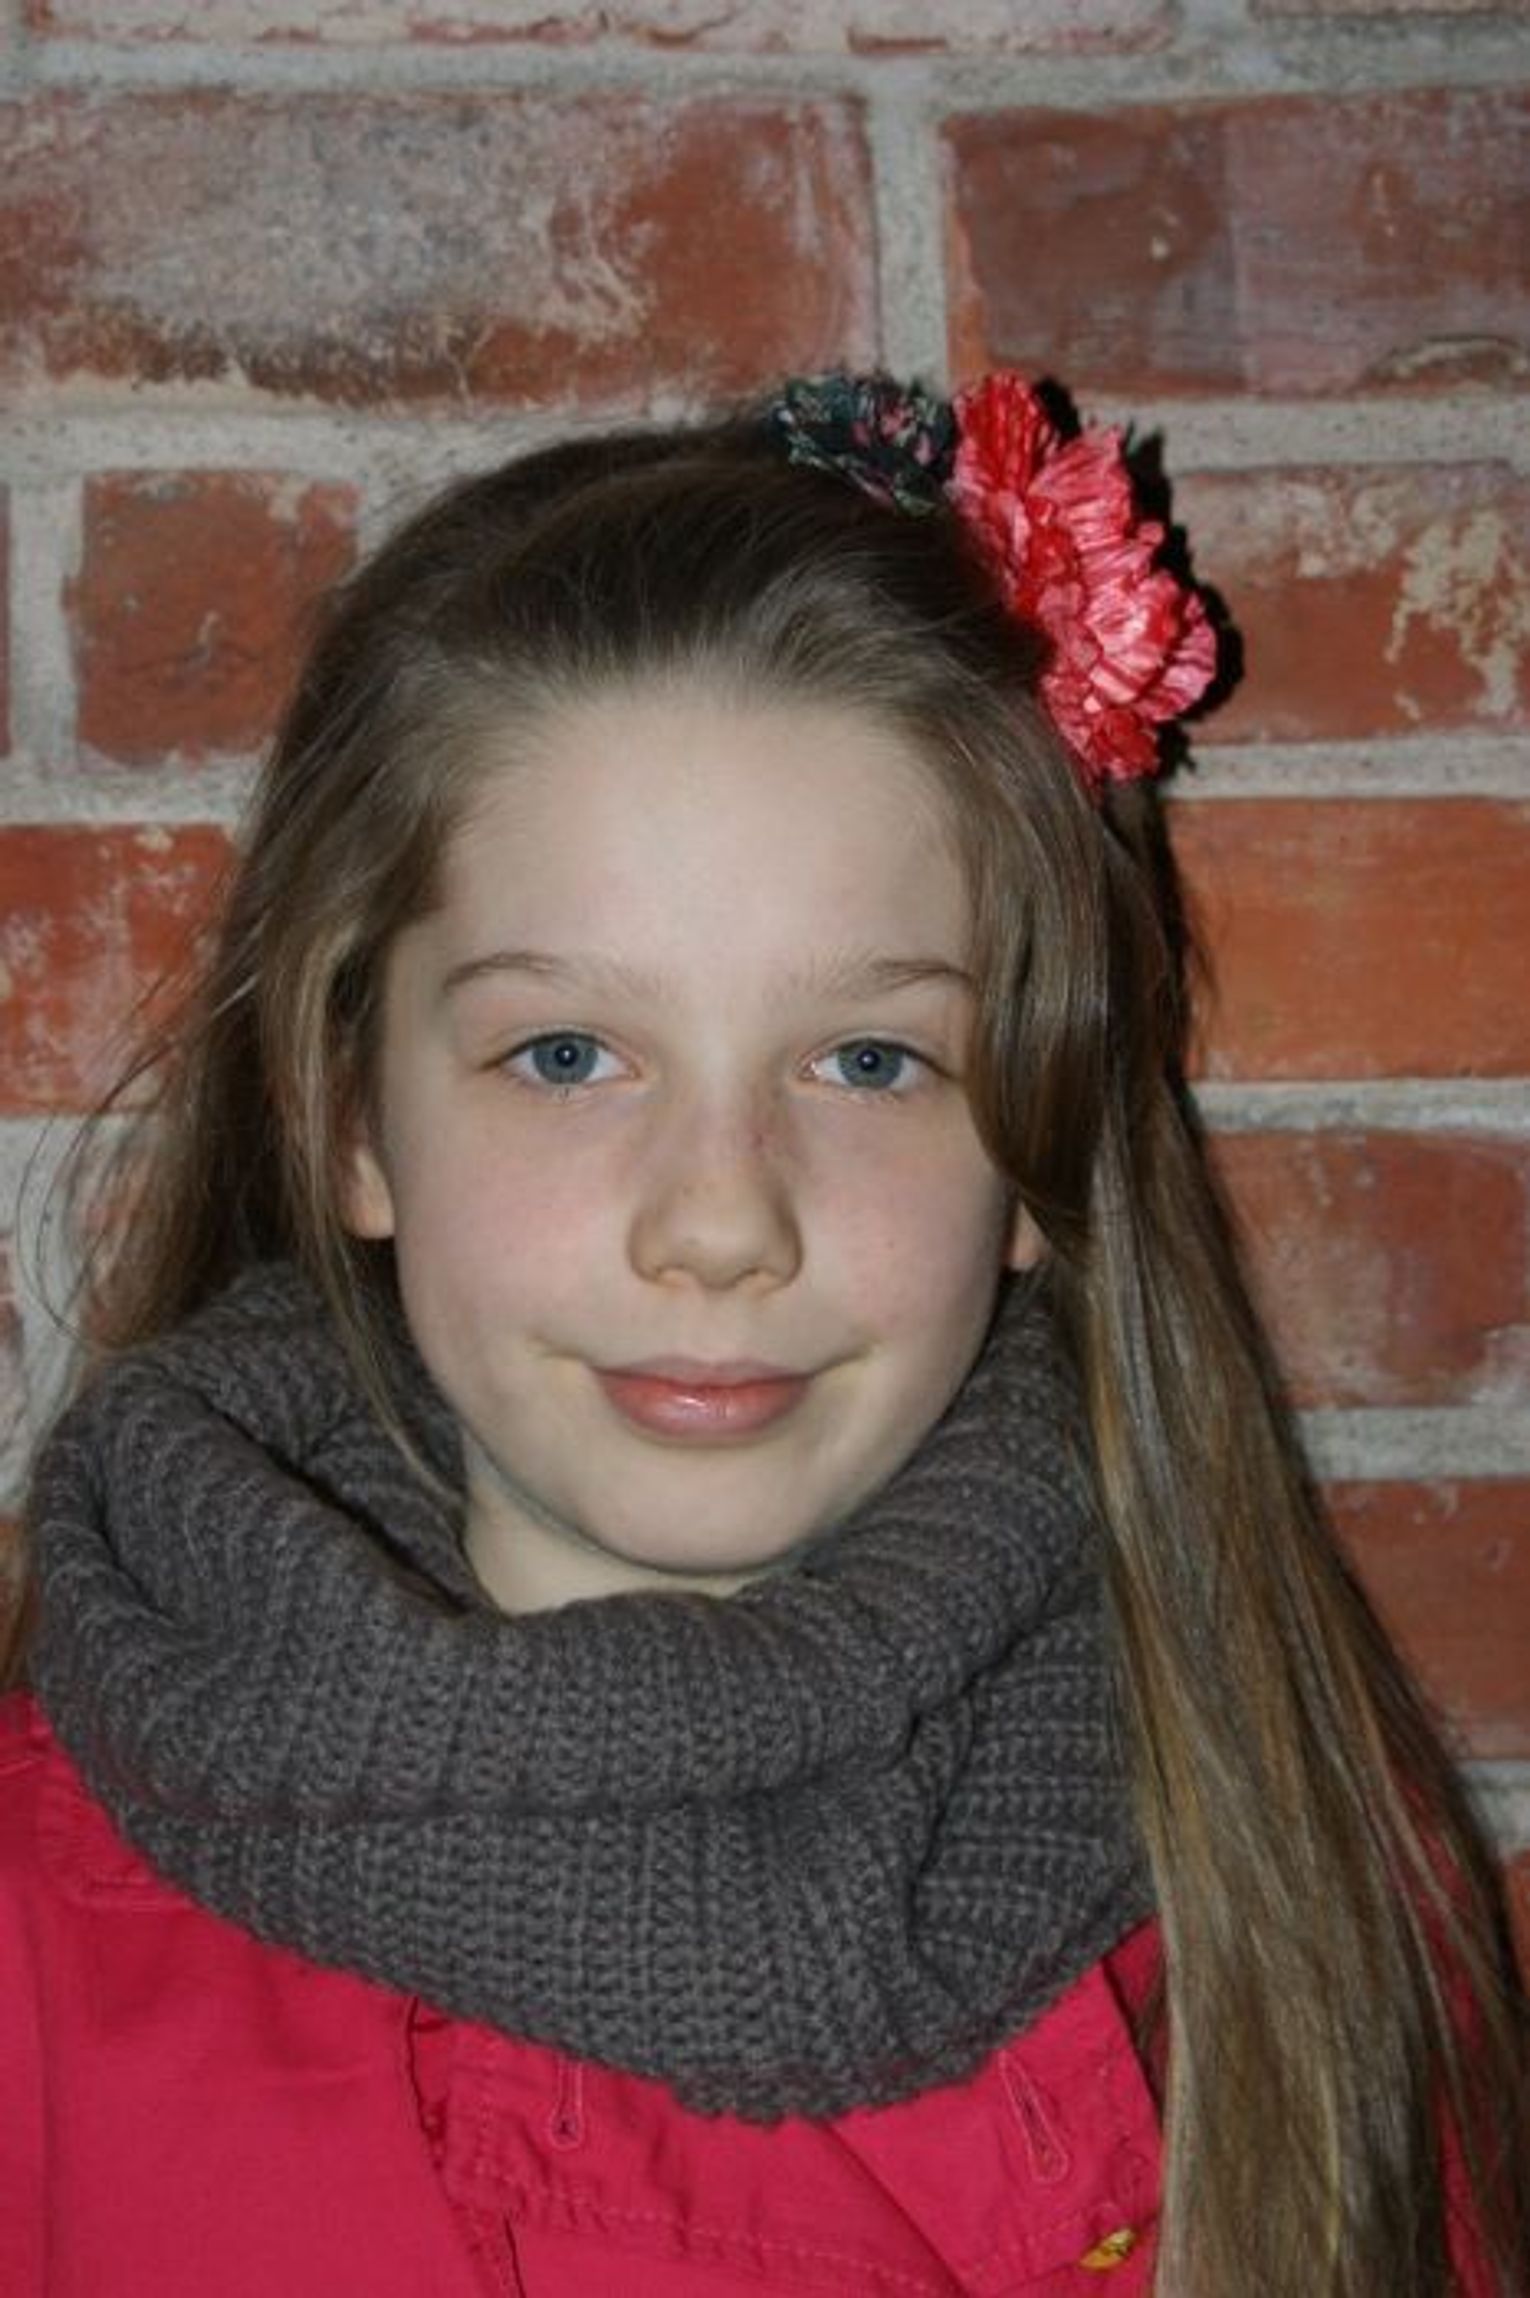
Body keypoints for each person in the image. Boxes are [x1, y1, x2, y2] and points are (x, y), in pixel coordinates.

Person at [0, 372, 1524, 2297]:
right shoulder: (34, 1951)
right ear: (352, 1114)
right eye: (569, 1054)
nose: (720, 1220)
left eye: (868, 1058)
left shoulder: (1281, 1851)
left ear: (1039, 1146)